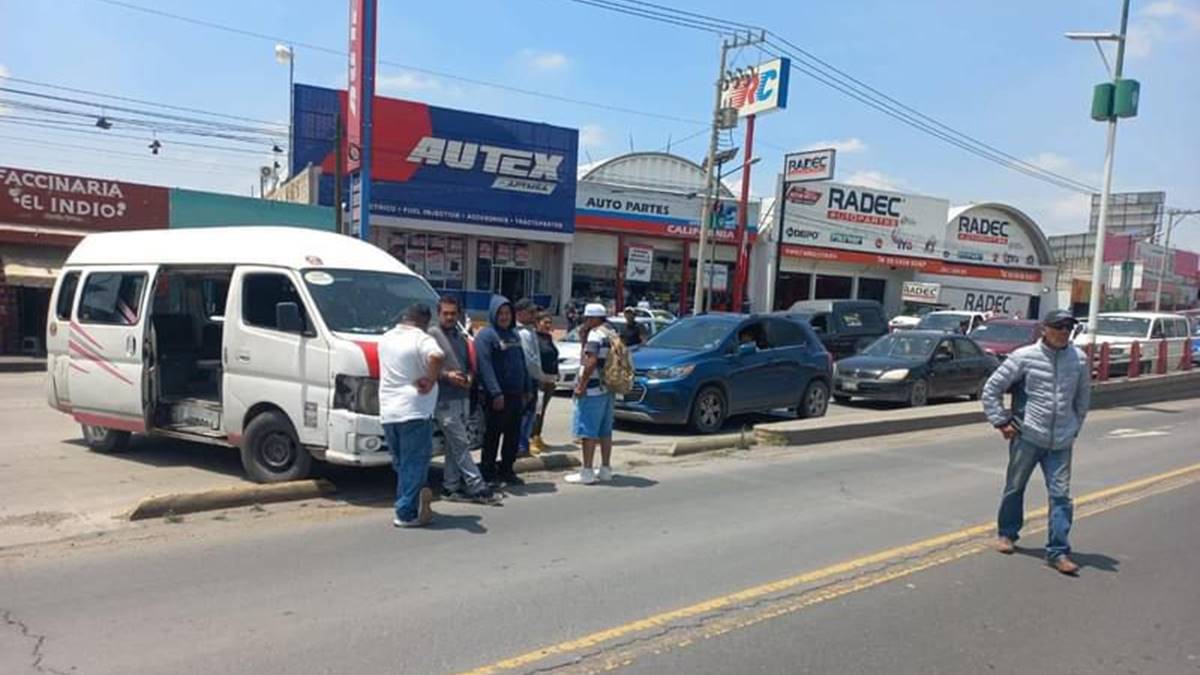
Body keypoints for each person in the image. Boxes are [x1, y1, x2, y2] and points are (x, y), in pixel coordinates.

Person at [981, 309, 1090, 575]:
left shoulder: (1079, 360)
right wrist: (1001, 421)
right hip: (1027, 436)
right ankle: (1007, 534)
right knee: (1015, 487)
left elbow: (1082, 398)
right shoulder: (1024, 356)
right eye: (1059, 326)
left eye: (1068, 327)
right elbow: (991, 389)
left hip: (1061, 440)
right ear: (1044, 329)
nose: (1064, 331)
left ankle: (1058, 551)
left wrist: (1075, 427)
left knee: (1060, 495)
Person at [427, 296, 502, 505]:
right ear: (439, 313)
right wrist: (447, 376)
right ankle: (477, 486)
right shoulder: (432, 335)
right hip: (443, 399)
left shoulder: (460, 336)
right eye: (446, 313)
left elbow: (469, 365)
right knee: (461, 443)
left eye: (453, 313)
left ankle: (450, 487)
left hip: (462, 397)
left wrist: (469, 376)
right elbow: (426, 365)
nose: (450, 317)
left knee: (454, 445)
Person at [379, 303, 444, 528]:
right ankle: (406, 513)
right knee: (414, 463)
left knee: (402, 463)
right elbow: (437, 356)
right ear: (425, 321)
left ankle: (411, 500)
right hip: (415, 410)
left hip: (389, 411)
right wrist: (430, 378)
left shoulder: (385, 338)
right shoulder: (420, 338)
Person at [475, 297, 530, 487]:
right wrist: (496, 393)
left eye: (507, 313)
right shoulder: (486, 336)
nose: (504, 317)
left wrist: (527, 388)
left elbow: (522, 363)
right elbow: (485, 366)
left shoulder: (514, 335)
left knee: (513, 435)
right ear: (493, 314)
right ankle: (488, 473)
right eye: (500, 313)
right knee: (492, 435)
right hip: (497, 397)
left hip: (516, 395)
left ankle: (507, 470)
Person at [565, 303, 616, 485]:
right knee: (605, 431)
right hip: (608, 388)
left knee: (588, 431)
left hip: (593, 389)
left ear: (593, 318)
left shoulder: (595, 335)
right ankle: (605, 469)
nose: (585, 322)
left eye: (587, 318)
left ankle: (587, 471)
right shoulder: (611, 332)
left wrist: (582, 385)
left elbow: (591, 361)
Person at [514, 299, 555, 456]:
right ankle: (521, 447)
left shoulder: (529, 331)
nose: (533, 315)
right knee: (525, 415)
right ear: (520, 313)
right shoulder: (523, 333)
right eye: (530, 312)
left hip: (534, 379)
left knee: (532, 413)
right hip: (527, 379)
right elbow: (529, 360)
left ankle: (524, 445)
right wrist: (541, 377)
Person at [529, 311, 560, 453]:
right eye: (545, 322)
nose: (548, 325)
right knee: (537, 411)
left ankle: (537, 436)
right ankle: (530, 439)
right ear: (537, 323)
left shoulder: (548, 337)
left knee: (543, 411)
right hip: (539, 379)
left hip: (551, 379)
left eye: (549, 322)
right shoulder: (533, 338)